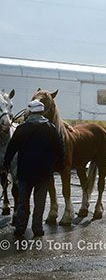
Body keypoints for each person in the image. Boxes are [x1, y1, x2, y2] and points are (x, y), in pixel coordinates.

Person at [2, 100, 64, 237]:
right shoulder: (50, 128)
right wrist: (56, 165)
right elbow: (60, 149)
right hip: (43, 174)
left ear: (30, 111)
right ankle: (38, 229)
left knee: (23, 203)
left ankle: (20, 228)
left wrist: (6, 164)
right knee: (39, 203)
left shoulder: (22, 129)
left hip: (25, 173)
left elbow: (11, 149)